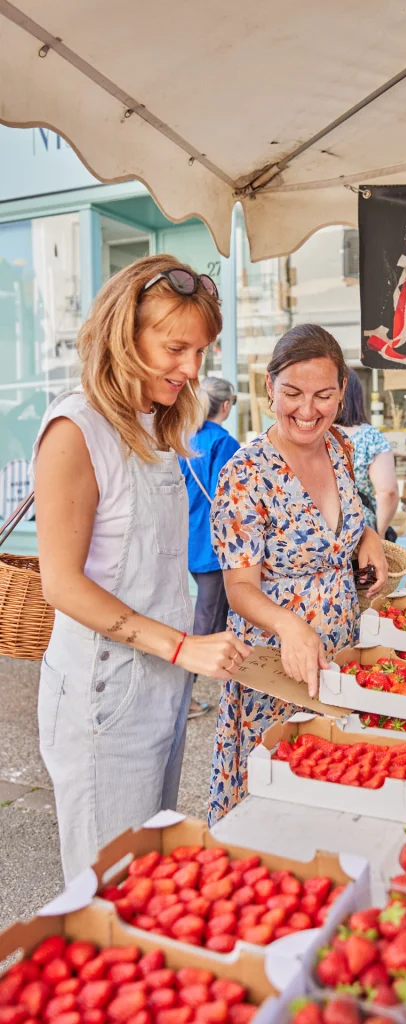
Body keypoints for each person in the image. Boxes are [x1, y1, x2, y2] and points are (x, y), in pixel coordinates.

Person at [33, 255, 250, 881]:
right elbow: (63, 584)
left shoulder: (158, 423)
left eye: (201, 353)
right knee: (108, 893)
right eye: (175, 348)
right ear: (124, 335)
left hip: (159, 684)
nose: (192, 370)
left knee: (145, 881)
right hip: (106, 694)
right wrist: (183, 647)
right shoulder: (76, 430)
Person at [208, 324, 388, 822]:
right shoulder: (245, 474)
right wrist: (291, 627)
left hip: (341, 655)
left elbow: (345, 525)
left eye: (323, 395)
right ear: (269, 387)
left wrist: (368, 535)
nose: (308, 411)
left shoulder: (341, 450)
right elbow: (240, 588)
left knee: (340, 792)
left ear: (342, 393)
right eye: (293, 393)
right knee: (275, 809)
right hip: (275, 668)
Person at [179, 377, 240, 719]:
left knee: (215, 618)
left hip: (192, 540)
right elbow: (230, 499)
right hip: (217, 548)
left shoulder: (187, 439)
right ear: (226, 406)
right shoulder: (225, 443)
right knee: (207, 624)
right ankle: (181, 697)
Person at [337, 370, 400, 540]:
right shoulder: (371, 437)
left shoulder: (314, 436)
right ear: (357, 397)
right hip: (361, 531)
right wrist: (379, 535)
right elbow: (388, 492)